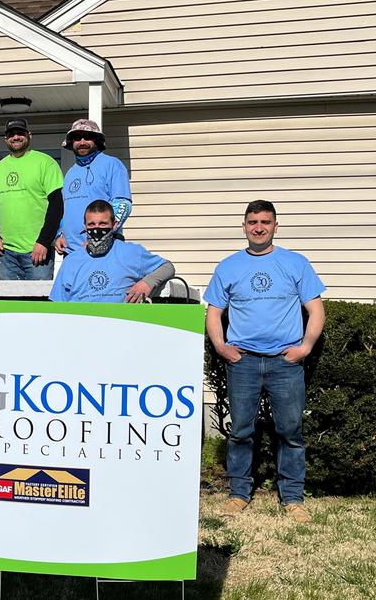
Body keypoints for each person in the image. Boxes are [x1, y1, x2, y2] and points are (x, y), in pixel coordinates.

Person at [203, 200, 326, 524]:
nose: (259, 227)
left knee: (290, 431)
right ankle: (239, 494)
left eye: (265, 222)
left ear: (275, 226)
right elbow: (214, 313)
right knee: (241, 431)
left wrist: (305, 347)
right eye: (253, 221)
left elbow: (316, 310)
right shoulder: (228, 267)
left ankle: (293, 498)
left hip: (285, 363)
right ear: (244, 226)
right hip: (242, 362)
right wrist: (220, 345)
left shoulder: (295, 263)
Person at [0, 118, 63, 280]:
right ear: (6, 139)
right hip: (6, 253)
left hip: (37, 250)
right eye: (11, 134)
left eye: (20, 133)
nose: (16, 137)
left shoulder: (45, 163)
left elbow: (57, 206)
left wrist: (44, 241)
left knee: (37, 303)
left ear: (29, 135)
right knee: (10, 304)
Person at [49, 200, 173, 303]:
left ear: (114, 225)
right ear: (84, 227)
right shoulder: (71, 261)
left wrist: (147, 283)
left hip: (120, 324)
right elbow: (57, 305)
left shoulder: (131, 252)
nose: (96, 229)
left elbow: (167, 267)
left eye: (103, 224)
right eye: (91, 224)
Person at [55, 119, 132, 256]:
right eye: (77, 138)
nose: (82, 142)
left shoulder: (112, 164)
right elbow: (66, 209)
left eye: (88, 137)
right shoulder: (70, 172)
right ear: (71, 142)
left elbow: (123, 204)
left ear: (97, 140)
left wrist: (99, 238)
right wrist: (59, 234)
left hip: (104, 249)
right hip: (72, 252)